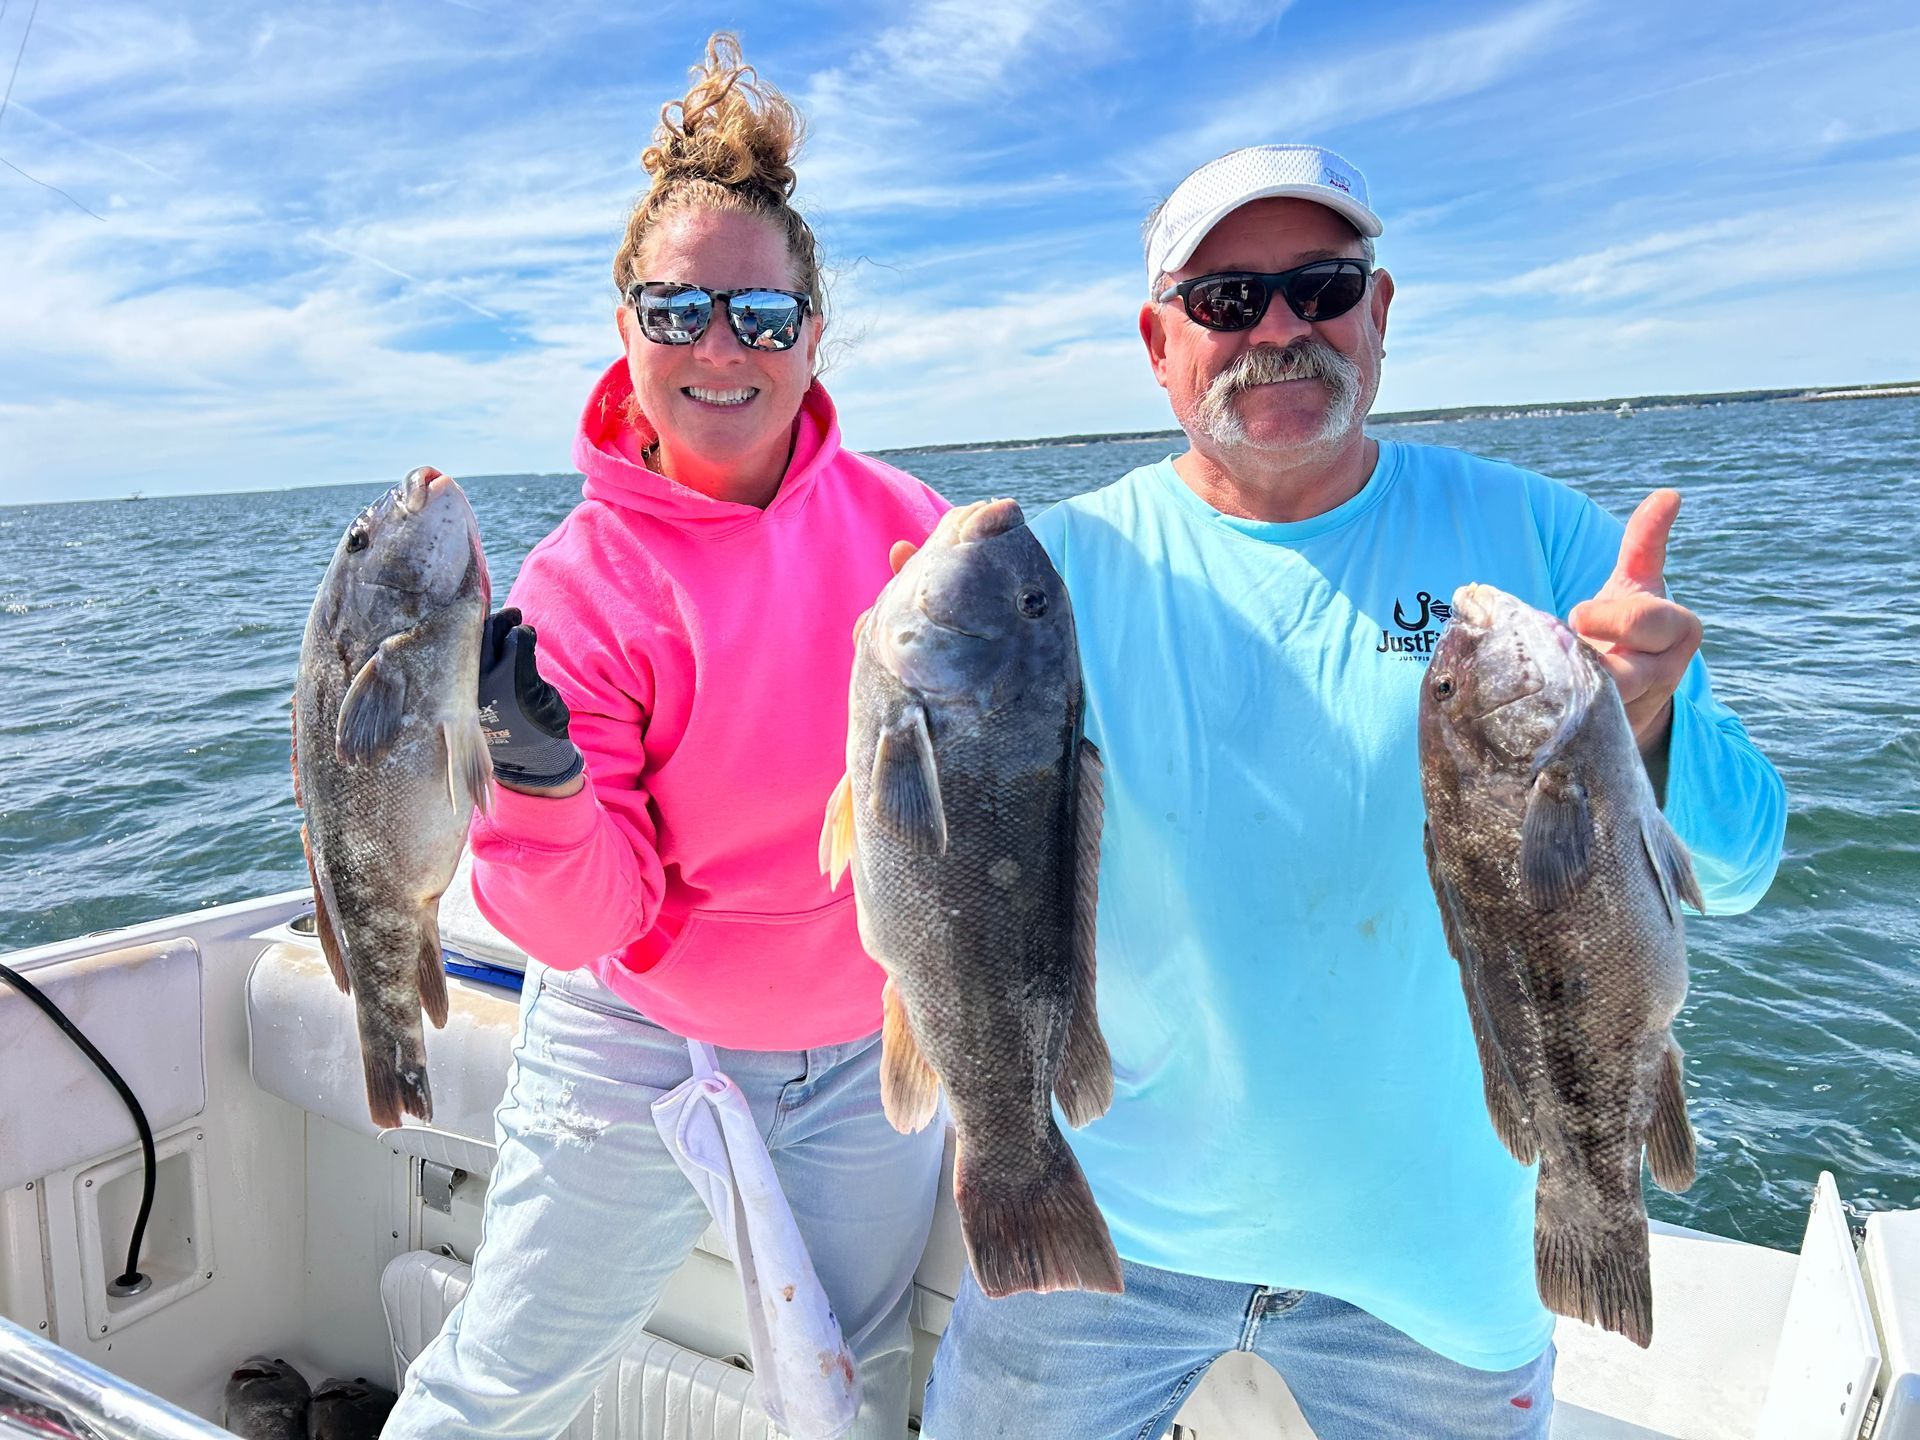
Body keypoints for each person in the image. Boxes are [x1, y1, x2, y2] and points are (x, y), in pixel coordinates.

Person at [917, 144, 1787, 1439]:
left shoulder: (1546, 543)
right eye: (1225, 302)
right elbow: (943, 859)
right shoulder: (1055, 572)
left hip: (1440, 1270)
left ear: (1379, 315)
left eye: (1321, 286)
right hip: (1112, 1223)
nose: (1279, 328)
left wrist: (1649, 723)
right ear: (1158, 346)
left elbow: (1744, 863)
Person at [383, 34, 949, 1440]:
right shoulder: (578, 585)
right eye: (679, 307)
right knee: (504, 1377)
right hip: (637, 1039)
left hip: (875, 1039)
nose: (721, 348)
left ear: (814, 337)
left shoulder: (915, 535)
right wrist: (540, 779)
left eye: (761, 315)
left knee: (852, 1385)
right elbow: (591, 923)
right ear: (625, 330)